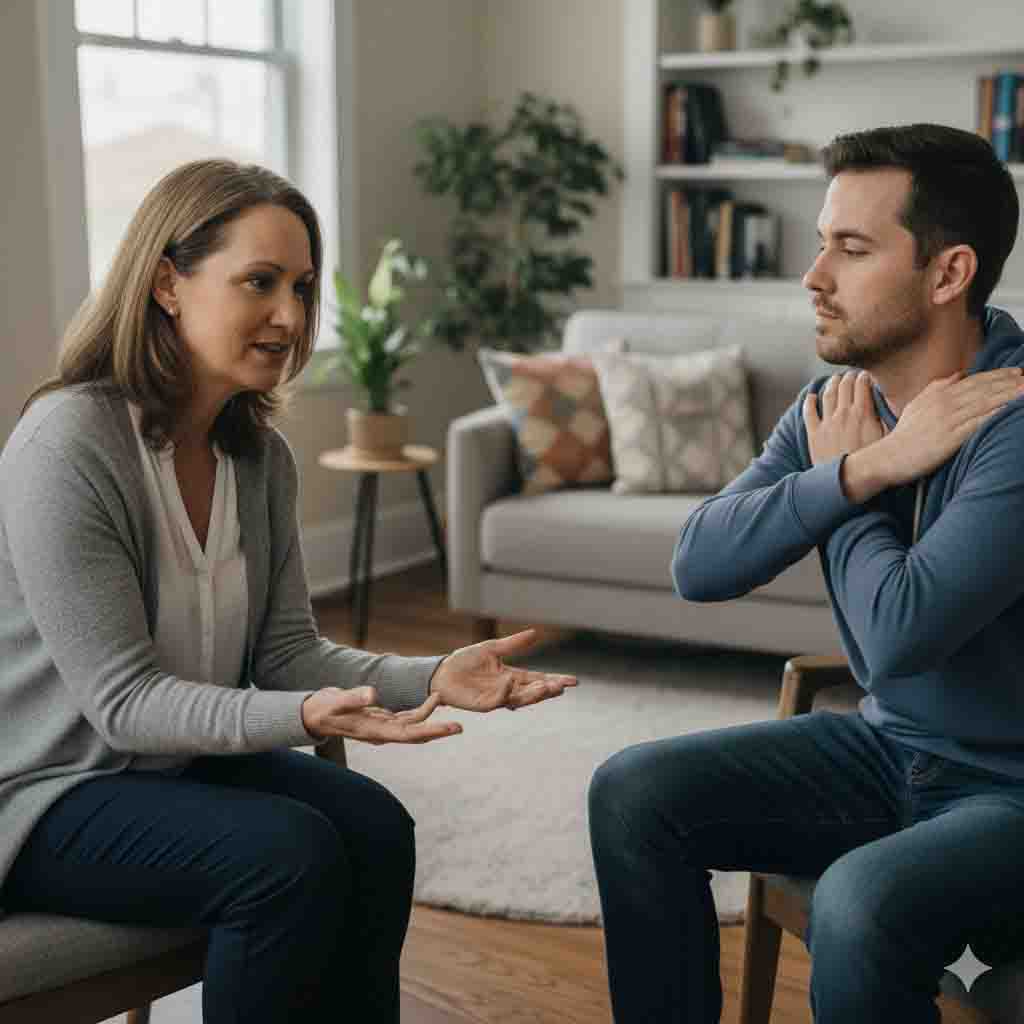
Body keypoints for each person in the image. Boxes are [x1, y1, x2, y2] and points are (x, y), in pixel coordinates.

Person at [0, 158, 576, 1023]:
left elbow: (285, 654)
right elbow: (122, 704)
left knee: (376, 828)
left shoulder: (257, 457)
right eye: (259, 282)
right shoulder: (70, 443)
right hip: (44, 792)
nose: (291, 316)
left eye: (303, 287)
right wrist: (306, 717)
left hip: (173, 769)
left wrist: (433, 675)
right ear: (167, 284)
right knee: (284, 856)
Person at [589, 123, 1024, 1023]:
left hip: (1012, 791)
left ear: (949, 274)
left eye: (850, 249)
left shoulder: (1014, 421)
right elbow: (697, 563)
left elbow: (901, 635)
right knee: (633, 792)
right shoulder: (840, 411)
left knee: (859, 901)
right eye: (821, 242)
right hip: (893, 751)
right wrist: (860, 469)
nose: (812, 275)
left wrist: (853, 490)